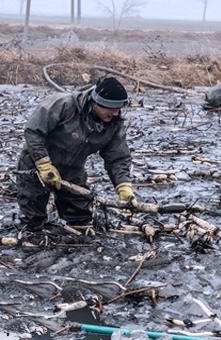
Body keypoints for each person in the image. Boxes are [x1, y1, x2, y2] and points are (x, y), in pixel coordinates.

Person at [16, 77, 136, 232]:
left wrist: (123, 186)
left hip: (72, 171)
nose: (115, 113)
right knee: (32, 220)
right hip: (35, 165)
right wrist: (43, 164)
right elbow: (33, 131)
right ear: (95, 102)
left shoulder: (113, 124)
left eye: (119, 108)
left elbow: (118, 158)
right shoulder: (63, 105)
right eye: (111, 107)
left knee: (81, 219)